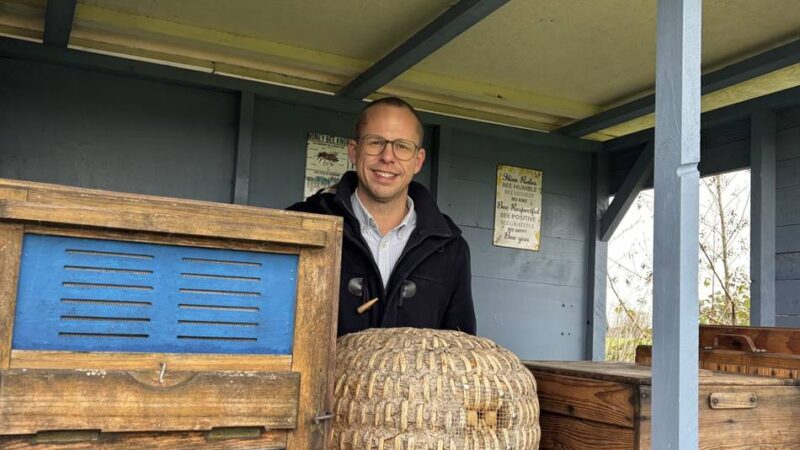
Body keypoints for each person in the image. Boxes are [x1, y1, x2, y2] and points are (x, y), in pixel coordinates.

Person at [289, 97, 476, 337]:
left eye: (402, 146)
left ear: (418, 160)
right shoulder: (302, 223)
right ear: (354, 151)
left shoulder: (451, 248)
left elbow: (461, 349)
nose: (388, 157)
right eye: (376, 142)